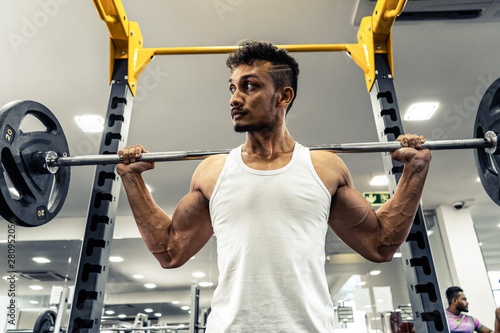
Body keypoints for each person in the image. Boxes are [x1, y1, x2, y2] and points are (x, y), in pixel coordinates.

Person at [116, 41, 431, 332]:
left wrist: (414, 171)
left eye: (249, 86)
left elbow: (380, 244)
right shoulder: (213, 172)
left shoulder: (323, 169)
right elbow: (170, 252)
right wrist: (132, 180)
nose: (234, 99)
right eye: (232, 88)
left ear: (284, 96)